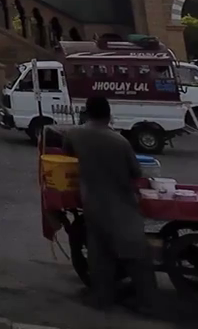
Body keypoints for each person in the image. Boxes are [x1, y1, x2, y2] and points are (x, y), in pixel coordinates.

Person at [62, 96, 159, 313]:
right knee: (135, 254)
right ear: (109, 115)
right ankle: (147, 303)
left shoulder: (75, 134)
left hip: (92, 203)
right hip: (120, 205)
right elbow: (136, 172)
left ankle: (102, 297)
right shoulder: (120, 141)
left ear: (87, 113)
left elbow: (67, 152)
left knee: (100, 253)